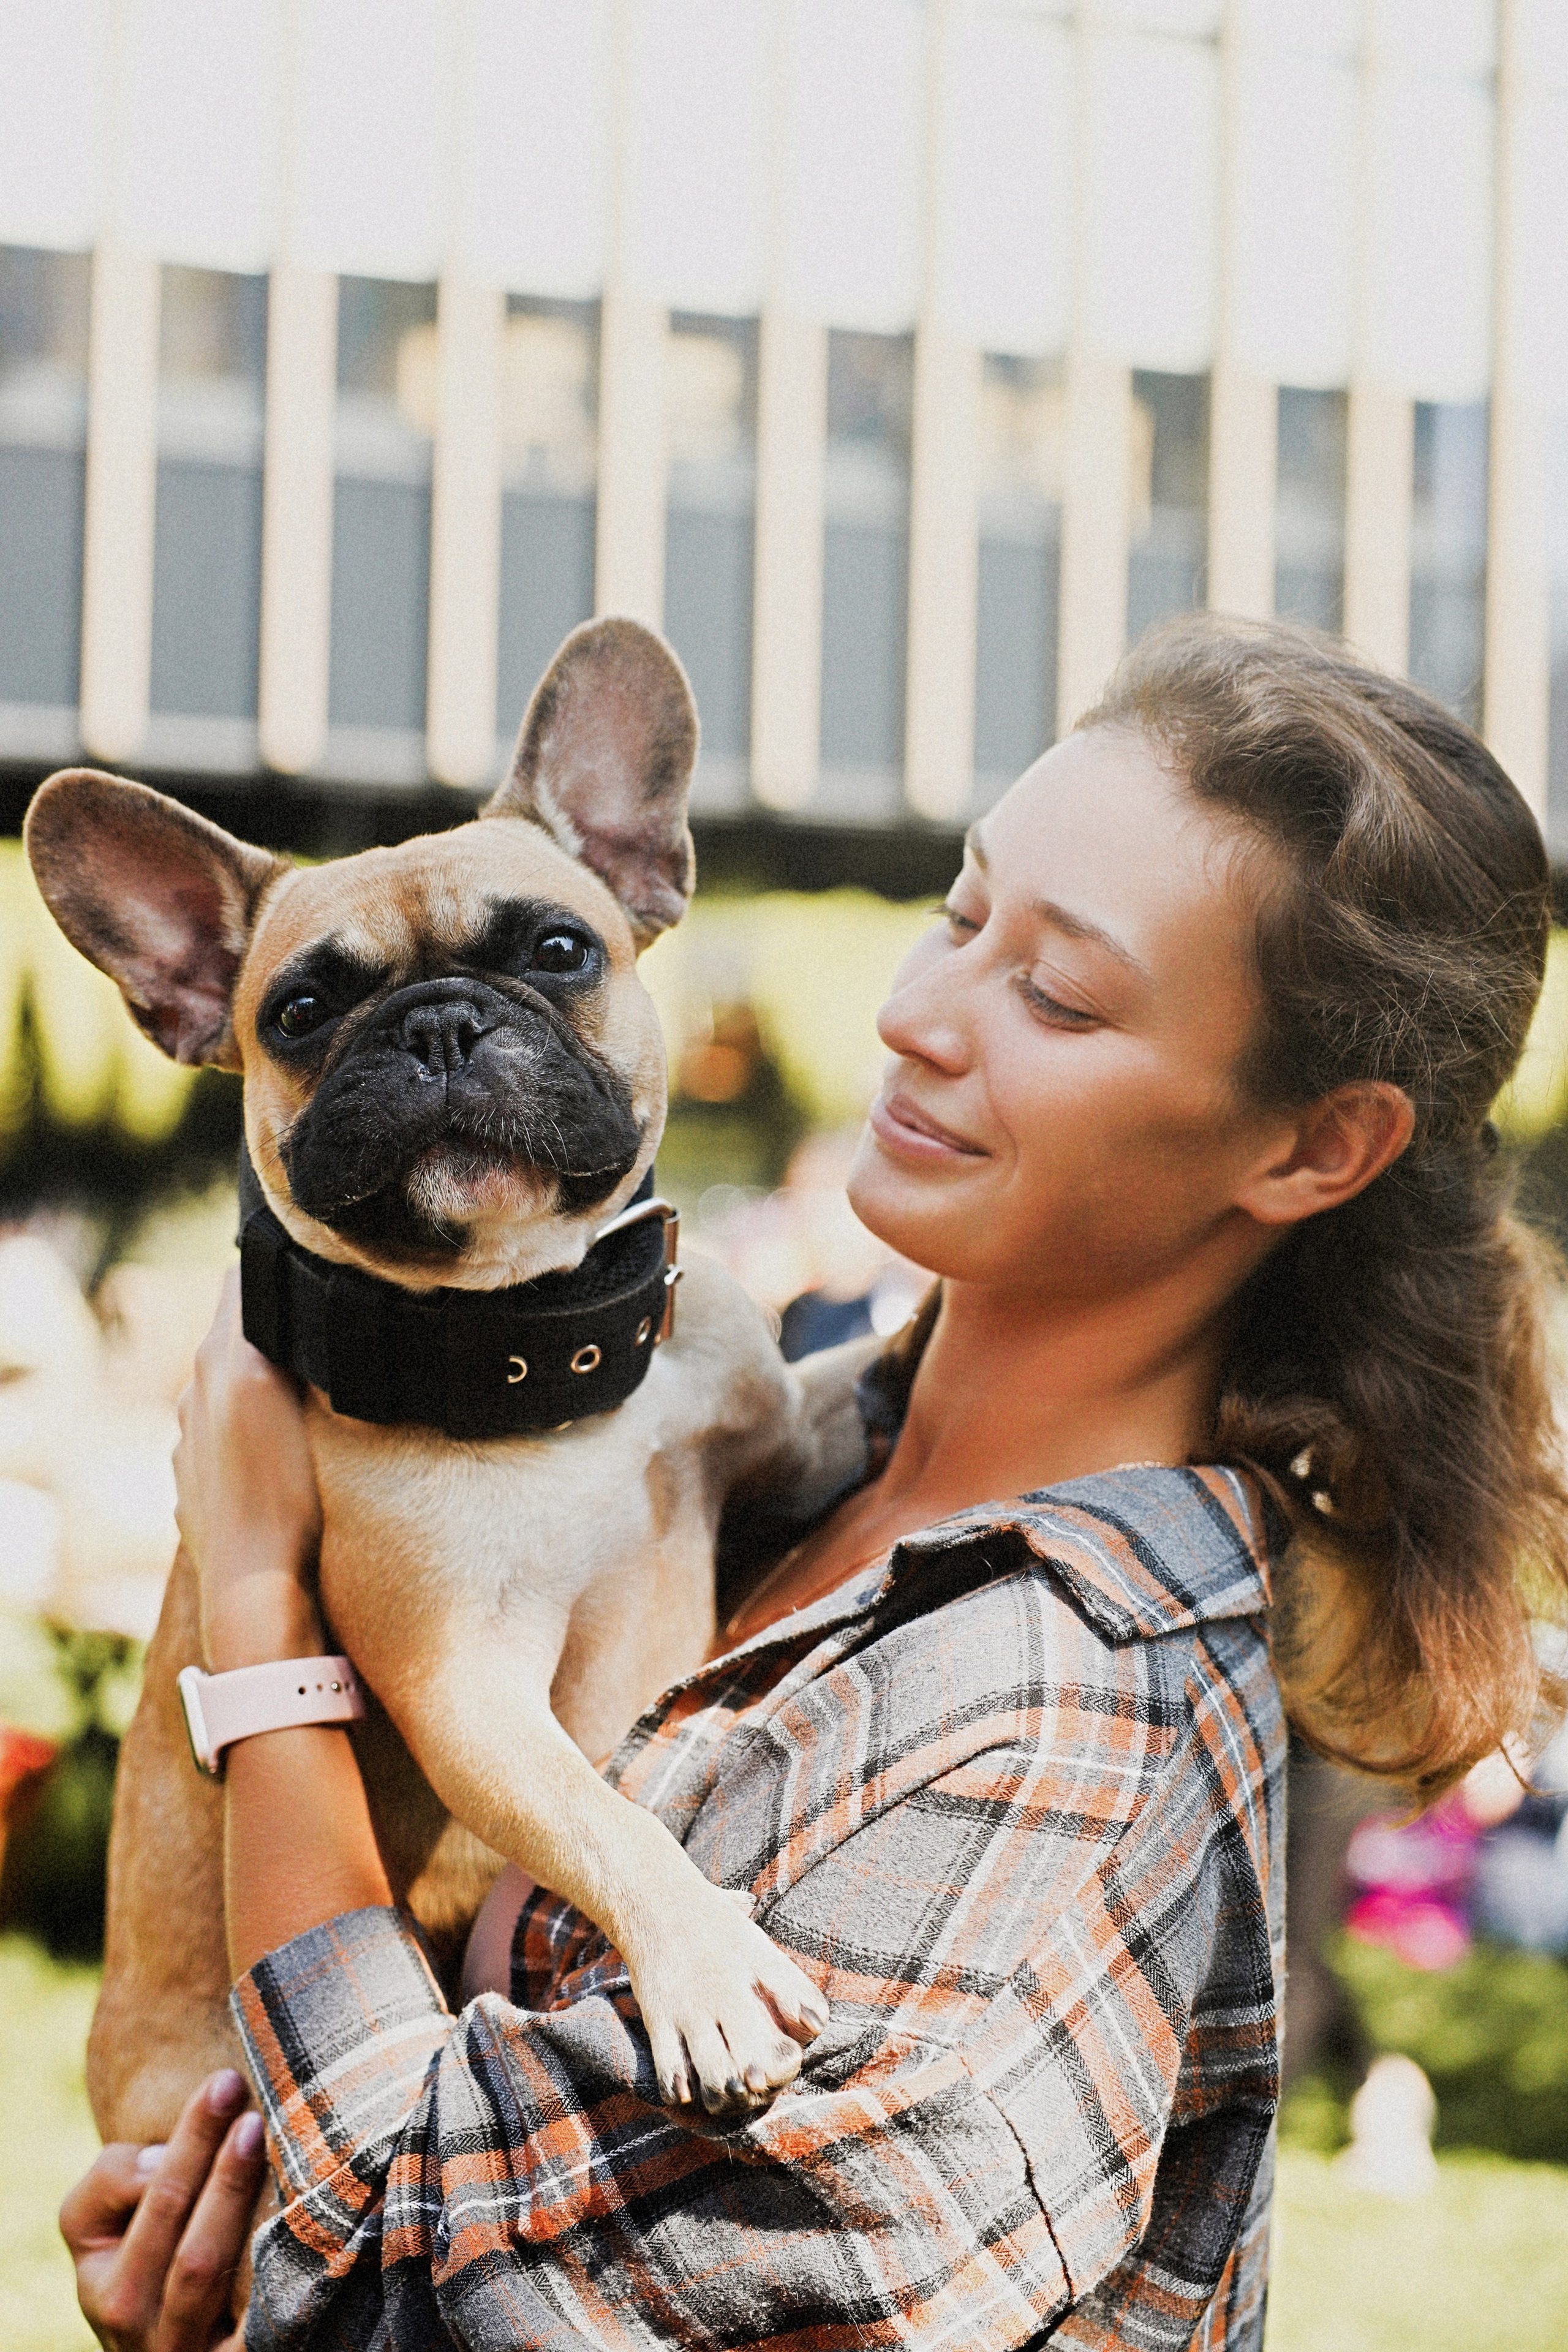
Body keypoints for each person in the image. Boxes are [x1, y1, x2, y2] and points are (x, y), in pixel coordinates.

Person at [61, 619, 1568, 2351]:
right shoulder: (771, 1456)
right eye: (957, 914)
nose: (917, 1016)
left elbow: (426, 2307)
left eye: (1058, 992)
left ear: (1311, 1144)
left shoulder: (1050, 1750)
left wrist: (256, 1600)